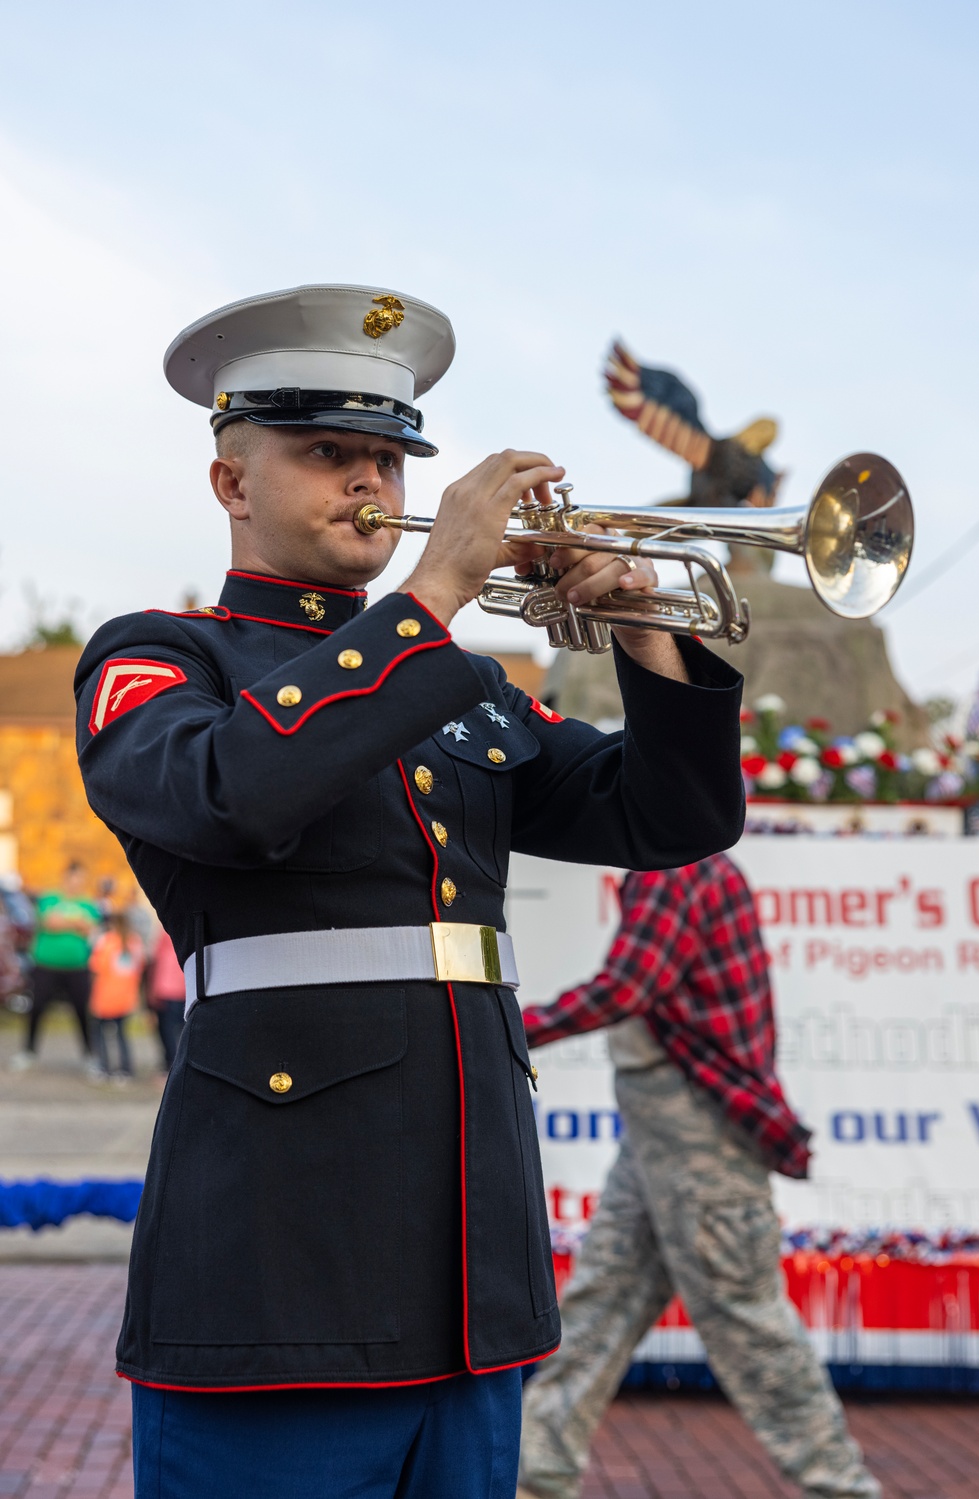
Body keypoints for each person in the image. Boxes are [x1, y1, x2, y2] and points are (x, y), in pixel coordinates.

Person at [74, 283, 745, 1499]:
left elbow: (670, 819)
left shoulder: (460, 684)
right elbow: (236, 793)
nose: (370, 484)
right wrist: (428, 595)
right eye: (328, 453)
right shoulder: (161, 657)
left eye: (386, 454)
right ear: (232, 482)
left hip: (471, 1271)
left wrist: (646, 632)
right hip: (276, 1270)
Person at [517, 853, 881, 1499]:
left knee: (746, 1319)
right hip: (669, 1126)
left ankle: (843, 1488)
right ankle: (531, 1477)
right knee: (600, 1302)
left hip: (694, 1125)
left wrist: (507, 1030)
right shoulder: (685, 860)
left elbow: (626, 986)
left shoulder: (672, 863)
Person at [10, 861, 100, 1071]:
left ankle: (90, 1056)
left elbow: (90, 929)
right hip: (46, 966)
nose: (76, 883)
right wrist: (77, 922)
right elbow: (51, 922)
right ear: (66, 878)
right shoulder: (50, 898)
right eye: (73, 878)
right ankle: (28, 1051)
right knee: (37, 1008)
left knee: (81, 1011)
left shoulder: (89, 904)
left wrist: (70, 922)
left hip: (77, 967)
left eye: (80, 879)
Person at [88, 910, 144, 1081]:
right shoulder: (135, 942)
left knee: (100, 1033)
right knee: (122, 1035)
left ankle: (104, 1068)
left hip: (105, 996)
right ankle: (126, 1069)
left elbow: (95, 966)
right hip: (126, 997)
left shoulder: (106, 940)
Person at [147, 926, 187, 1069]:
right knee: (181, 1031)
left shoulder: (165, 931)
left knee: (167, 1031)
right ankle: (178, 1063)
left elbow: (156, 960)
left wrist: (152, 989)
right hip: (183, 988)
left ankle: (171, 1064)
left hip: (167, 989)